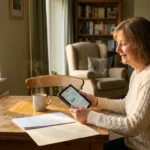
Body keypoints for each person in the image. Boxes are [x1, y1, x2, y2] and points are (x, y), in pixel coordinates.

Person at [69, 17, 150, 150]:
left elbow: (132, 126)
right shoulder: (138, 72)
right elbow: (126, 105)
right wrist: (96, 101)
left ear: (141, 44)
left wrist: (90, 116)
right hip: (130, 144)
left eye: (123, 43)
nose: (117, 49)